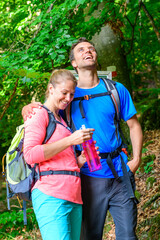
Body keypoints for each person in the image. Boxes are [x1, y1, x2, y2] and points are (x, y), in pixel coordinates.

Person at [22, 38, 143, 240]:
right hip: (88, 175)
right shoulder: (68, 96)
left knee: (128, 235)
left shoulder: (115, 89)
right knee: (90, 235)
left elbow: (134, 125)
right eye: (81, 50)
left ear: (96, 56)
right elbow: (46, 113)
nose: (88, 51)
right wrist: (27, 108)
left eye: (91, 48)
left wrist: (137, 159)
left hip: (120, 172)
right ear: (74, 63)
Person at [23, 69, 96, 240]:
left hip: (73, 196)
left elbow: (60, 161)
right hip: (51, 195)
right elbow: (30, 155)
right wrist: (71, 140)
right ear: (51, 89)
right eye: (64, 93)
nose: (68, 98)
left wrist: (81, 160)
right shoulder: (38, 114)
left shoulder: (62, 120)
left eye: (71, 94)